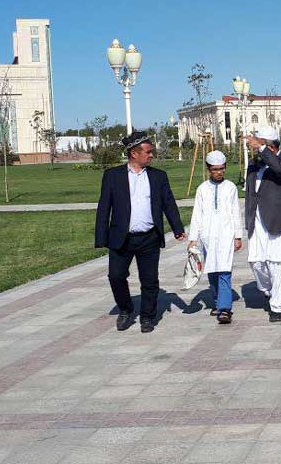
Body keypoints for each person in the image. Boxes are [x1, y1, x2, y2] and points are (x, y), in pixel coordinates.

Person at [95, 130, 185, 333]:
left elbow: (168, 204)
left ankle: (147, 317)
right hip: (121, 238)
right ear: (134, 154)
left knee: (150, 280)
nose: (151, 155)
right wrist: (101, 237)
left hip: (149, 237)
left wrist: (177, 228)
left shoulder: (158, 176)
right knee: (116, 276)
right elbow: (104, 207)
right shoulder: (113, 176)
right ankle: (125, 309)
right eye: (148, 152)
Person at [244, 127, 281, 322]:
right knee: (256, 261)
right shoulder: (254, 164)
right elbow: (250, 193)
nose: (255, 147)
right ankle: (270, 291)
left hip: (280, 220)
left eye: (259, 144)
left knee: (278, 263)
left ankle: (277, 307)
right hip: (257, 222)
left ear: (271, 146)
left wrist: (261, 149)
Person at [187, 150, 243, 324]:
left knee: (225, 269)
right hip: (208, 235)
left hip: (226, 234)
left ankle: (225, 309)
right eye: (215, 169)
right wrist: (193, 237)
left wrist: (238, 236)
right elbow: (197, 213)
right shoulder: (202, 189)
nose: (219, 172)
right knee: (212, 270)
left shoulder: (231, 187)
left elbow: (235, 212)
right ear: (209, 169)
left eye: (221, 169)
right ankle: (218, 301)